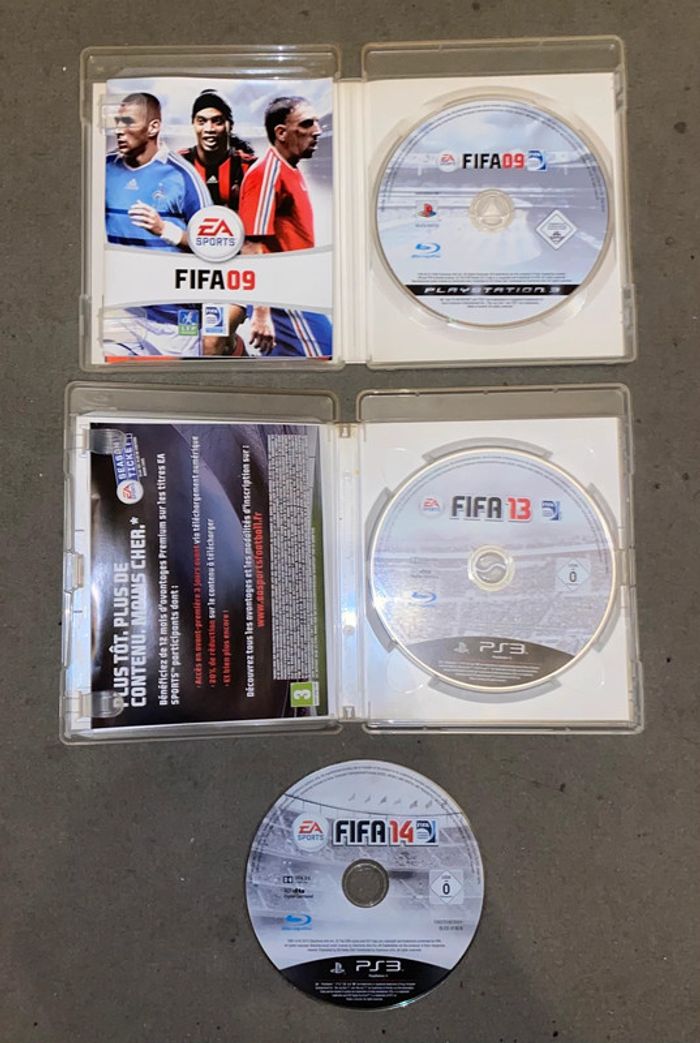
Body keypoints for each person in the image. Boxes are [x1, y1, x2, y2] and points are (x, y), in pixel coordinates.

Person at [104, 91, 227, 357]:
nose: (119, 130)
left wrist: (165, 230)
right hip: (123, 314)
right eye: (117, 122)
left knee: (178, 382)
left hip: (174, 319)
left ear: (153, 127)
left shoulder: (183, 176)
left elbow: (212, 248)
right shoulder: (103, 170)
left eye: (128, 122)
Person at [238, 96, 332, 358]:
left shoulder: (290, 168)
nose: (317, 130)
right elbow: (252, 246)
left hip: (295, 291)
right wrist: (261, 313)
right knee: (324, 356)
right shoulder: (266, 173)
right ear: (281, 132)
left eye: (316, 122)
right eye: (307, 124)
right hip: (283, 296)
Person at [180, 89, 256, 355]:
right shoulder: (177, 166)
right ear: (193, 124)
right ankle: (236, 351)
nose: (209, 129)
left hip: (236, 275)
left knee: (211, 341)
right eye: (202, 121)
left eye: (217, 121)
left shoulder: (249, 169)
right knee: (195, 345)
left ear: (229, 125)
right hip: (189, 275)